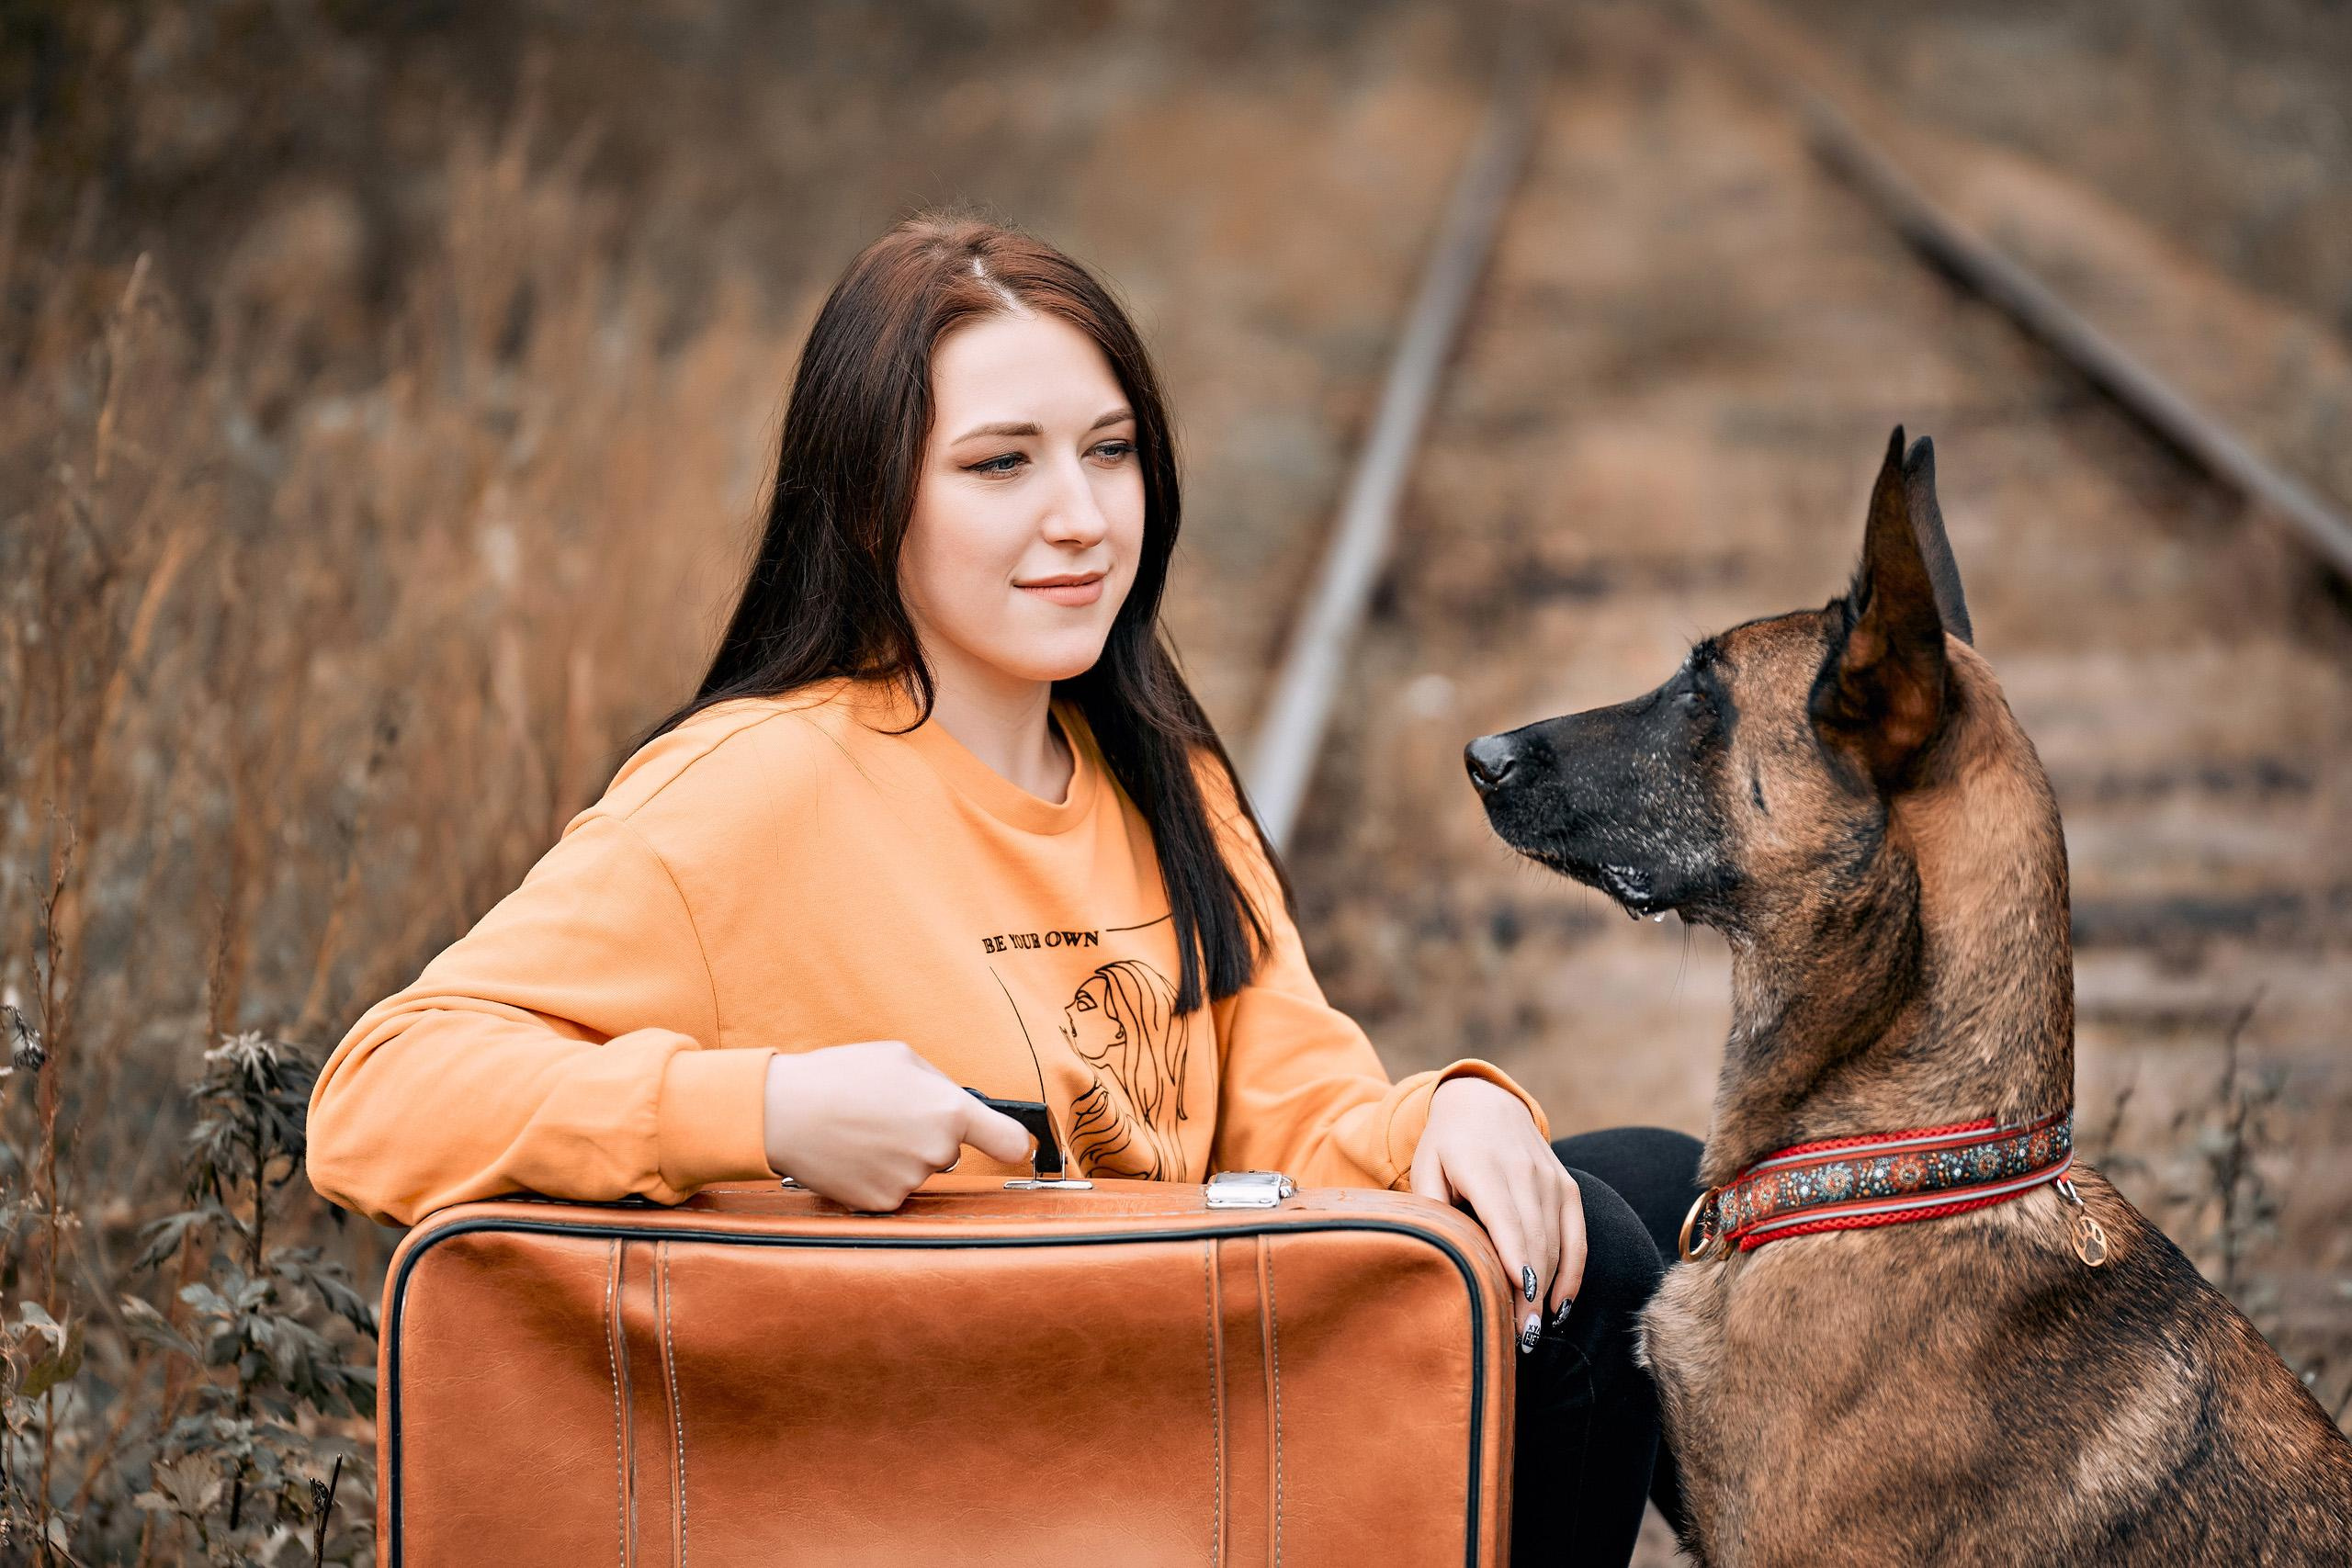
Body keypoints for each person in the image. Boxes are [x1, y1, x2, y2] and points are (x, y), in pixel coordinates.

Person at [303, 208, 1704, 1568]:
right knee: (1603, 1293)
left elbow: (1298, 1115)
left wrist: (1450, 1112)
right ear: (868, 502)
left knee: (1648, 1196)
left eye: (1110, 453)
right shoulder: (748, 792)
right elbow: (379, 1095)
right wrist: (771, 1113)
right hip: (950, 1463)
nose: (1082, 517)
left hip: (1159, 1394)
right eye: (998, 467)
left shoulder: (1160, 773)